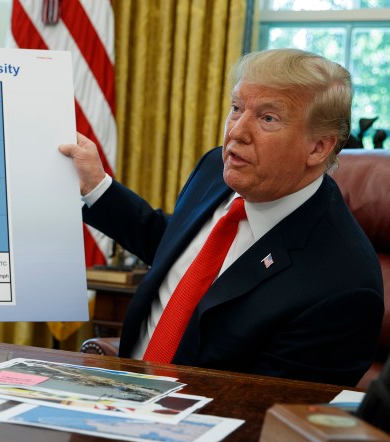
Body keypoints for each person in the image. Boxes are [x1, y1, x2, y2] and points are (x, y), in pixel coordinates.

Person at [60, 48, 384, 386]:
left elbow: (266, 415)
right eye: (236, 108)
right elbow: (176, 249)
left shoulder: (344, 286)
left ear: (318, 148)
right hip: (119, 389)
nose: (237, 132)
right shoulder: (217, 168)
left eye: (267, 118)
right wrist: (97, 187)